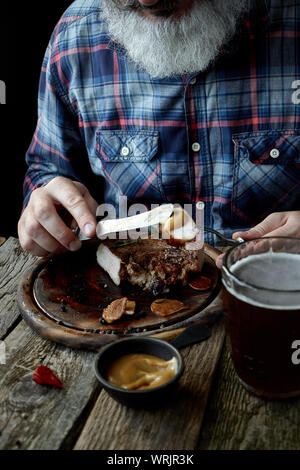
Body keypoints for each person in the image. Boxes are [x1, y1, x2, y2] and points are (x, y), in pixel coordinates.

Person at [18, 0, 300, 257]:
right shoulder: (75, 36)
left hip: (272, 286)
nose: (147, 1)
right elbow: (48, 172)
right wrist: (45, 204)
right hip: (130, 290)